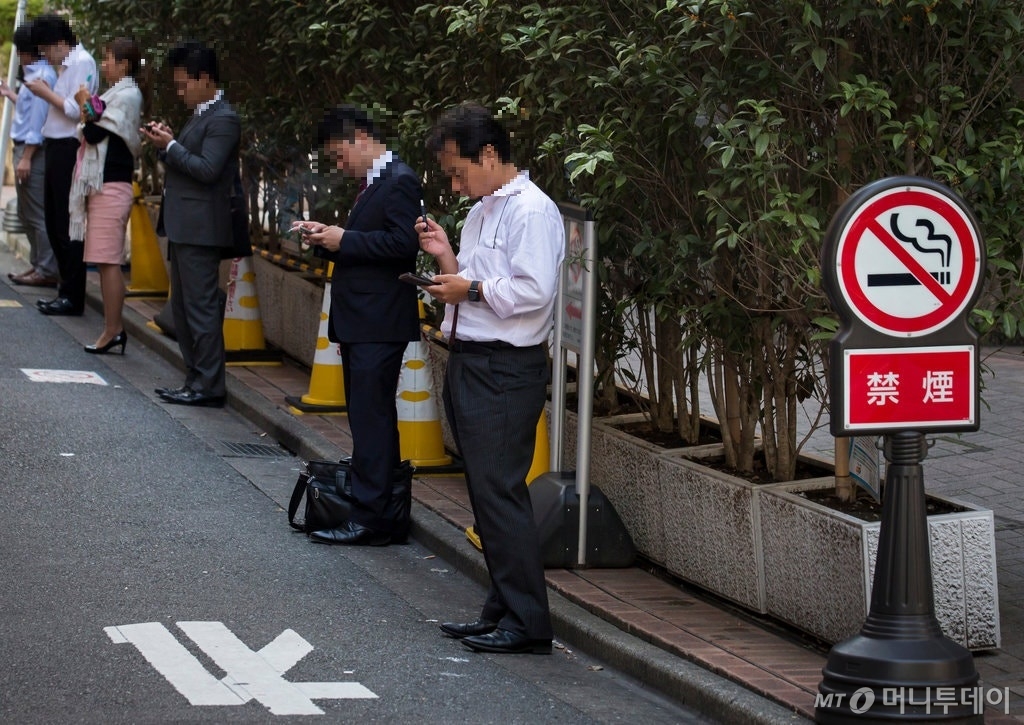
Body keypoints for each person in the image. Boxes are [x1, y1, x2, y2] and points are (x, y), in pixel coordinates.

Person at [417, 103, 564, 654]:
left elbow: (533, 292)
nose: (456, 185)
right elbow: (479, 282)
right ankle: (502, 609)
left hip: (505, 367)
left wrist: (468, 289)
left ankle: (528, 622)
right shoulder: (484, 209)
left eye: (458, 171)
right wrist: (447, 260)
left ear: (489, 154)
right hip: (473, 359)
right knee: (485, 490)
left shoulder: (532, 210)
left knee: (500, 492)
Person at [293, 105, 421, 545]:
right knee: (371, 418)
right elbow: (374, 245)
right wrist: (327, 238)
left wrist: (342, 238)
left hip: (379, 321)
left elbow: (404, 245)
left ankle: (370, 517)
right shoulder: (376, 183)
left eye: (339, 155)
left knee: (372, 419)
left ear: (360, 138)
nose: (339, 165)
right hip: (367, 320)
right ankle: (380, 513)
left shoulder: (400, 179)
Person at [141, 41, 240, 407]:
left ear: (204, 79)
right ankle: (195, 379)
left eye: (184, 84)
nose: (180, 91)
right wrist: (164, 144)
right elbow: (188, 163)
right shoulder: (202, 115)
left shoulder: (224, 119)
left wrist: (171, 146)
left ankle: (209, 385)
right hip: (186, 226)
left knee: (199, 310)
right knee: (183, 310)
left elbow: (207, 170)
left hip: (201, 229)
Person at [70, 38, 144, 355]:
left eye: (109, 59)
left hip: (112, 185)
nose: (104, 65)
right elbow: (92, 123)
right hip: (104, 184)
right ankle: (113, 329)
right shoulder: (113, 95)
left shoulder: (127, 96)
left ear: (124, 64)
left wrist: (89, 112)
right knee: (103, 262)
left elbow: (94, 132)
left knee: (108, 261)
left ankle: (113, 330)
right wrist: (90, 110)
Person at [26, 14, 97, 316]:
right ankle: (65, 291)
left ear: (59, 42)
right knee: (56, 222)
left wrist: (45, 92)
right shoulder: (68, 63)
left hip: (68, 146)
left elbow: (76, 110)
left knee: (66, 225)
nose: (46, 56)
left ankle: (71, 295)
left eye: (46, 50)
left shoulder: (81, 62)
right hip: (56, 145)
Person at [2, 21, 58, 288]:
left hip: (32, 151)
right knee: (27, 213)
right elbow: (29, 111)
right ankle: (38, 266)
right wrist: (10, 94)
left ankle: (46, 269)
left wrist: (26, 157)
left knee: (36, 213)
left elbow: (38, 121)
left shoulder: (41, 77)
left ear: (26, 51)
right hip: (26, 147)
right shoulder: (35, 74)